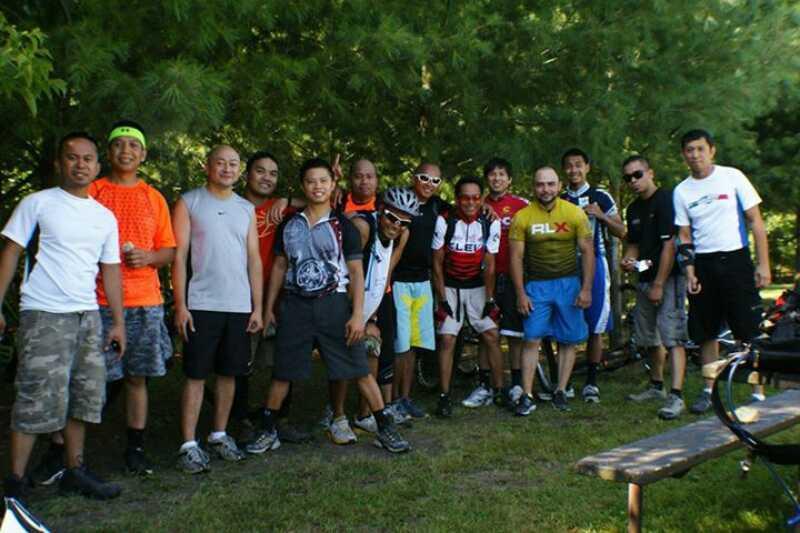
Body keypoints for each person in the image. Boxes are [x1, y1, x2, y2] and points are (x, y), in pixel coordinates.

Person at [246, 158, 410, 454]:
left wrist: (358, 314)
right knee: (284, 371)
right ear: (303, 186)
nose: (317, 186)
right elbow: (281, 267)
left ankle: (385, 427)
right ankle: (268, 429)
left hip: (333, 305)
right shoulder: (290, 223)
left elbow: (357, 272)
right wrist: (269, 306)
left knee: (359, 368)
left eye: (323, 181)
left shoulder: (343, 226)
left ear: (332, 185)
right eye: (311, 181)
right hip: (296, 305)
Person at [0, 132, 125, 500]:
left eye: (88, 159)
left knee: (82, 395)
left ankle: (74, 470)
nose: (80, 164)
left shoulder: (103, 217)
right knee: (35, 398)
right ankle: (15, 484)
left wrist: (116, 321)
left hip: (87, 315)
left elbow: (111, 270)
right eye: (72, 157)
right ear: (59, 163)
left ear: (97, 167)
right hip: (44, 314)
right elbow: (10, 252)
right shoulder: (37, 204)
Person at [86, 120, 176, 475]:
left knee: (138, 377)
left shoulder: (153, 197)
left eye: (133, 146)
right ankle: (67, 453)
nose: (126, 151)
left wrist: (149, 257)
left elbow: (168, 250)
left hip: (145, 300)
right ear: (108, 153)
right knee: (92, 379)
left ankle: (135, 449)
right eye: (119, 145)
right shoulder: (93, 191)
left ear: (143, 154)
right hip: (99, 300)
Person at [171, 145, 263, 474]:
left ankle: (219, 434)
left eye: (233, 164)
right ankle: (188, 445)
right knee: (196, 375)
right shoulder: (189, 201)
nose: (226, 168)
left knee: (229, 373)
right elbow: (178, 258)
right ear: (207, 165)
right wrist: (180, 305)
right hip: (201, 303)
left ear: (240, 170)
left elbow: (254, 259)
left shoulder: (245, 209)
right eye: (220, 163)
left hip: (238, 305)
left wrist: (258, 307)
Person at [673, 129, 770, 414]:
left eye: (700, 149)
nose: (695, 155)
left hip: (736, 259)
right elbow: (685, 236)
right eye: (689, 150)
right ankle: (709, 389)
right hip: (703, 264)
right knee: (706, 331)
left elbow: (756, 221)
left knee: (748, 328)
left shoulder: (733, 177)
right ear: (684, 155)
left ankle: (757, 392)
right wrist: (689, 271)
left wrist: (763, 264)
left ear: (711, 150)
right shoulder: (682, 191)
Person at [233, 150, 310, 444]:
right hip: (242, 297)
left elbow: (324, 199)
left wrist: (287, 200)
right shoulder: (234, 207)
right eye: (260, 171)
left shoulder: (282, 210)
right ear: (247, 174)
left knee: (283, 362)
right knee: (241, 364)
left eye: (273, 173)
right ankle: (241, 421)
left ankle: (279, 419)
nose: (267, 177)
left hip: (280, 296)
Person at [329, 187, 415, 441]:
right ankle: (337, 417)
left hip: (368, 309)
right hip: (345, 306)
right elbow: (342, 272)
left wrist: (373, 317)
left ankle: (364, 414)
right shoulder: (363, 227)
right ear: (380, 209)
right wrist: (352, 314)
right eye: (391, 217)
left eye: (404, 221)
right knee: (344, 363)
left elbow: (385, 274)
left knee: (372, 351)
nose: (396, 225)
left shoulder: (402, 235)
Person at [509, 167, 594, 415]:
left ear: (559, 186)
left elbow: (588, 253)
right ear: (533, 187)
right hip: (537, 285)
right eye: (540, 185)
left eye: (550, 184)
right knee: (531, 338)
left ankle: (560, 390)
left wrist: (586, 288)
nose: (545, 189)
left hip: (569, 283)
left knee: (568, 340)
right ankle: (526, 394)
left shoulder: (574, 213)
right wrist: (521, 294)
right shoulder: (523, 217)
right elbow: (515, 258)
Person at [620, 155, 688, 420]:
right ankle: (656, 385)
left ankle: (677, 395)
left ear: (650, 172)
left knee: (672, 336)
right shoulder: (633, 209)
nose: (633, 181)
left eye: (637, 175)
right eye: (628, 178)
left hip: (668, 277)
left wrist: (659, 283)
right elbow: (635, 244)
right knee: (649, 335)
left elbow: (670, 245)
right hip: (645, 276)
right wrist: (629, 260)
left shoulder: (666, 199)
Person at [432, 176, 502, 417]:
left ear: (481, 198)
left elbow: (490, 264)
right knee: (448, 339)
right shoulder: (445, 221)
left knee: (491, 335)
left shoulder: (490, 222)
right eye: (465, 198)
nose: (470, 203)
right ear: (457, 199)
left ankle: (499, 390)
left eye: (475, 198)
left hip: (477, 286)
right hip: (450, 286)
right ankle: (444, 395)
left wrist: (490, 300)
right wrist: (441, 300)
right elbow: (437, 263)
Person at [561, 148, 626, 403]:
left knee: (595, 324)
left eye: (578, 164)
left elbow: (622, 231)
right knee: (566, 322)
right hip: (565, 265)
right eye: (569, 165)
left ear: (587, 167)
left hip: (595, 263)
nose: (574, 170)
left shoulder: (600, 195)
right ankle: (563, 383)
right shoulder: (560, 198)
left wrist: (600, 215)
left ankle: (591, 381)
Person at [468, 157, 529, 408]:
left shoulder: (522, 206)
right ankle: (485, 385)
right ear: (487, 179)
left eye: (502, 174)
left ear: (509, 179)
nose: (497, 178)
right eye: (492, 174)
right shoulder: (474, 205)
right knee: (486, 332)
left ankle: (515, 383)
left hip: (513, 277)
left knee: (514, 333)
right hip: (484, 279)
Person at [391, 164, 450, 420]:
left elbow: (468, 208)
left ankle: (405, 398)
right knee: (399, 344)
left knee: (414, 343)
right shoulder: (398, 202)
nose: (429, 183)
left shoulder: (439, 207)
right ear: (413, 178)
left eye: (435, 180)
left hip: (423, 283)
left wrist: (486, 207)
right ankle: (391, 400)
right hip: (398, 282)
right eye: (424, 178)